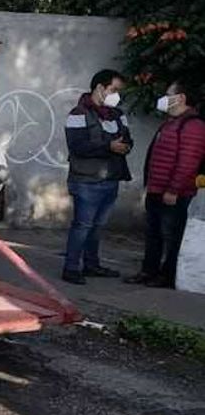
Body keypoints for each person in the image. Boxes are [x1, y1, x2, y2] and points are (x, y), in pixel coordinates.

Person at [125, 81, 205, 288]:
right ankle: (148, 271)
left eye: (168, 94)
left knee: (171, 235)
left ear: (181, 98)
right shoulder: (171, 122)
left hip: (174, 192)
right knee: (153, 234)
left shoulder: (193, 125)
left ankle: (167, 275)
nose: (163, 98)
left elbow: (188, 161)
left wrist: (173, 189)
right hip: (157, 189)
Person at [62, 69, 133, 284]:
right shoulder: (78, 114)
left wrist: (125, 146)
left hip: (110, 178)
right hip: (86, 181)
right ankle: (71, 268)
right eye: (114, 90)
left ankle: (91, 265)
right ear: (100, 88)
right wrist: (109, 145)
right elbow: (77, 145)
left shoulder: (118, 114)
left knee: (97, 226)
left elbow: (128, 139)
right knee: (82, 225)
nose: (117, 95)